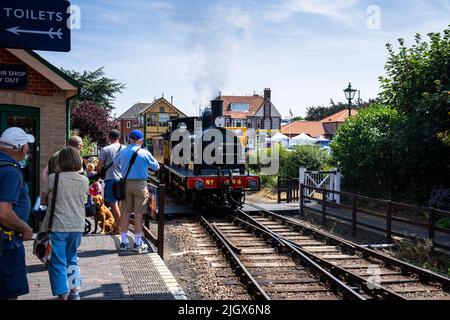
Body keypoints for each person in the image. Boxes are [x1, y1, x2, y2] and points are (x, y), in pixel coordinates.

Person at [41, 147, 89, 300]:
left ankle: (63, 295)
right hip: (77, 226)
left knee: (57, 262)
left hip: (57, 226)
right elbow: (83, 201)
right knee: (72, 258)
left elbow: (43, 201)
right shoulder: (84, 180)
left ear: (60, 162)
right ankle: (75, 292)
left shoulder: (53, 178)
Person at [0, 127, 35, 300]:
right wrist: (25, 229)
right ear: (21, 147)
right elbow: (4, 213)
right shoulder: (11, 171)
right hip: (6, 242)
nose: (28, 148)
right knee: (9, 293)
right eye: (27, 144)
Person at [113, 130, 159, 253]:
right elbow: (156, 167)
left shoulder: (122, 151)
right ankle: (137, 244)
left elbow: (115, 163)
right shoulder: (145, 153)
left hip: (126, 184)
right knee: (138, 215)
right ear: (141, 140)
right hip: (140, 185)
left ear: (130, 139)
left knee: (125, 214)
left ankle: (123, 242)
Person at [96, 130, 124, 234]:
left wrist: (99, 170)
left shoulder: (105, 149)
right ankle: (118, 226)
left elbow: (99, 167)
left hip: (110, 179)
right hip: (122, 180)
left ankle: (119, 228)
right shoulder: (125, 149)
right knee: (119, 203)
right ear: (119, 137)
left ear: (109, 137)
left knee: (112, 203)